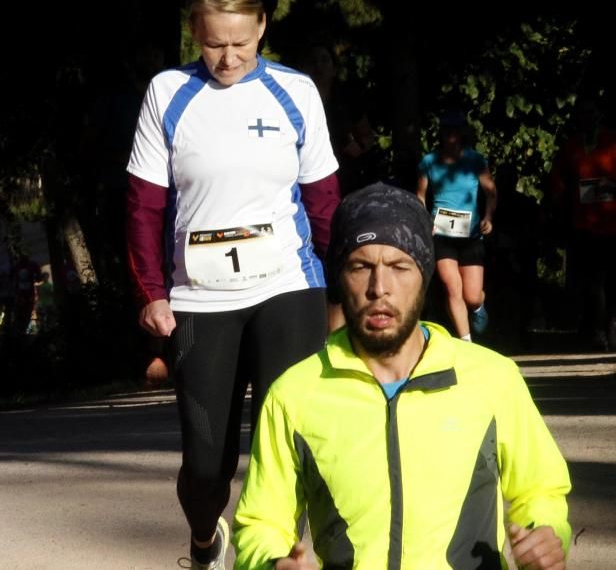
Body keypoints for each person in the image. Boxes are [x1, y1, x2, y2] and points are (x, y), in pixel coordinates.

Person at [233, 183, 572, 570]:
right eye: (361, 266)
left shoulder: (493, 378)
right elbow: (262, 521)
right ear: (340, 279)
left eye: (399, 267)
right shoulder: (294, 394)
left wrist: (547, 532)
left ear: (423, 276)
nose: (380, 288)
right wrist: (270, 562)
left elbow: (541, 489)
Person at [126, 0, 340, 569]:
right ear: (196, 32)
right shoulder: (168, 93)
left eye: (241, 43)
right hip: (200, 296)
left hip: (288, 285)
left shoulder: (295, 92)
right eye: (215, 43)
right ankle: (203, 540)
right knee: (205, 464)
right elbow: (144, 205)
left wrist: (344, 287)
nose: (228, 57)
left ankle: (281, 558)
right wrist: (150, 292)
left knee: (287, 445)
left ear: (263, 28)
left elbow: (323, 199)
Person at [416, 111, 497, 340]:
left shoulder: (475, 161)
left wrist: (488, 217)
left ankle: (479, 306)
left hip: (470, 234)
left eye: (455, 131)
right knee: (452, 286)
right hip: (441, 233)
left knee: (471, 295)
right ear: (441, 133)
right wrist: (424, 221)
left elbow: (491, 192)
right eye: (446, 131)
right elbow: (420, 196)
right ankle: (466, 341)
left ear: (462, 134)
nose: (451, 136)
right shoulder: (429, 162)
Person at [549, 94, 616, 351]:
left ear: (599, 116)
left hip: (612, 224)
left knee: (611, 280)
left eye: (591, 114)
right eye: (582, 115)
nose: (587, 119)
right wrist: (560, 197)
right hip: (583, 225)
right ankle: (596, 330)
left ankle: (610, 324)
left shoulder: (612, 142)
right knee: (592, 281)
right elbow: (558, 181)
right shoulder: (572, 146)